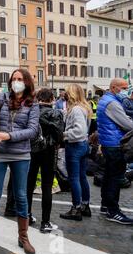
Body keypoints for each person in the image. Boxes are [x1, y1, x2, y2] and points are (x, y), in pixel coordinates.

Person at [0, 69, 39, 254]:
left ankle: (23, 238)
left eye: (20, 79)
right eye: (14, 79)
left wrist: (9, 135)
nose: (16, 81)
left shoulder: (33, 103)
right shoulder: (3, 98)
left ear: (27, 82)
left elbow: (32, 131)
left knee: (21, 196)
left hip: (21, 154)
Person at [27, 88, 64, 233]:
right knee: (47, 187)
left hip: (32, 150)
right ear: (52, 99)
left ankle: (27, 215)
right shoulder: (56, 113)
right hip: (49, 152)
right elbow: (59, 135)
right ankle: (45, 222)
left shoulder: (32, 112)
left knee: (29, 185)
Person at [97, 78, 133, 224]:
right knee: (115, 178)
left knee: (108, 176)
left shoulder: (105, 99)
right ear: (113, 87)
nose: (125, 91)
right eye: (123, 88)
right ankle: (113, 211)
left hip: (108, 143)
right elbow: (128, 124)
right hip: (115, 144)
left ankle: (105, 205)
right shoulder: (112, 103)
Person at [59, 84, 92, 221]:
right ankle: (84, 205)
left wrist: (64, 135)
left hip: (75, 145)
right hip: (83, 145)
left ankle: (76, 208)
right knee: (82, 177)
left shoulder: (77, 110)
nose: (64, 94)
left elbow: (79, 130)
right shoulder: (83, 108)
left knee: (74, 178)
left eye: (66, 92)